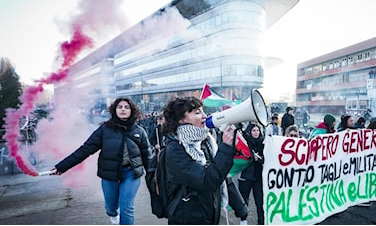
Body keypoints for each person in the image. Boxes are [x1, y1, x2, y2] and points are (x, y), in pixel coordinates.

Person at [50, 97, 153, 225]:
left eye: (126, 107)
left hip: (131, 173)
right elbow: (85, 150)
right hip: (109, 174)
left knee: (127, 208)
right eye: (120, 107)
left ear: (132, 111)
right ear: (114, 110)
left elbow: (148, 157)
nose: (123, 109)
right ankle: (112, 213)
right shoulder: (105, 130)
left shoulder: (139, 131)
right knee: (111, 207)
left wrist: (154, 176)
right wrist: (61, 167)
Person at [161, 96, 235, 224]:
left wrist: (240, 207)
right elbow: (207, 181)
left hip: (207, 211)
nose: (204, 116)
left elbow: (221, 176)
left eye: (203, 111)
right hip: (188, 216)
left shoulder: (206, 140)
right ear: (181, 119)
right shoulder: (175, 150)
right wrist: (226, 148)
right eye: (197, 112)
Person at [238, 123, 265, 225]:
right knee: (244, 200)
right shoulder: (246, 142)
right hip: (246, 176)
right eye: (254, 130)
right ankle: (243, 220)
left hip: (258, 177)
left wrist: (259, 159)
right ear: (250, 131)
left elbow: (265, 160)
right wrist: (251, 156)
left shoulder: (263, 143)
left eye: (257, 130)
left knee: (260, 201)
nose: (256, 132)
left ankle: (261, 221)